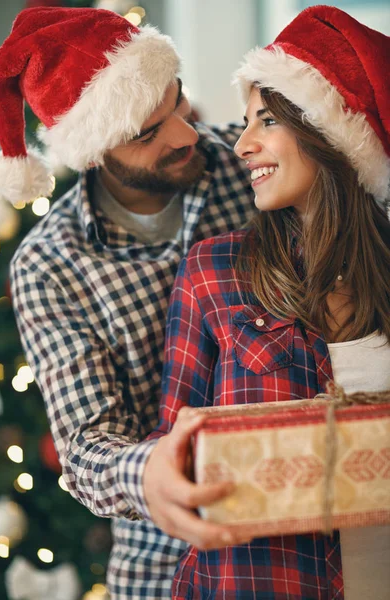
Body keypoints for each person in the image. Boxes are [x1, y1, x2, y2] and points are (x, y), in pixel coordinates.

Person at [0, 6, 255, 599]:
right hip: (165, 561)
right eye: (145, 132)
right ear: (93, 151)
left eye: (177, 101)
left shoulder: (252, 164)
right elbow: (86, 447)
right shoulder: (49, 266)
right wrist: (151, 472)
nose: (187, 133)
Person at [144, 5, 390, 599]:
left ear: (331, 130)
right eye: (244, 121)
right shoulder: (214, 273)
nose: (242, 144)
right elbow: (174, 456)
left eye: (268, 120)